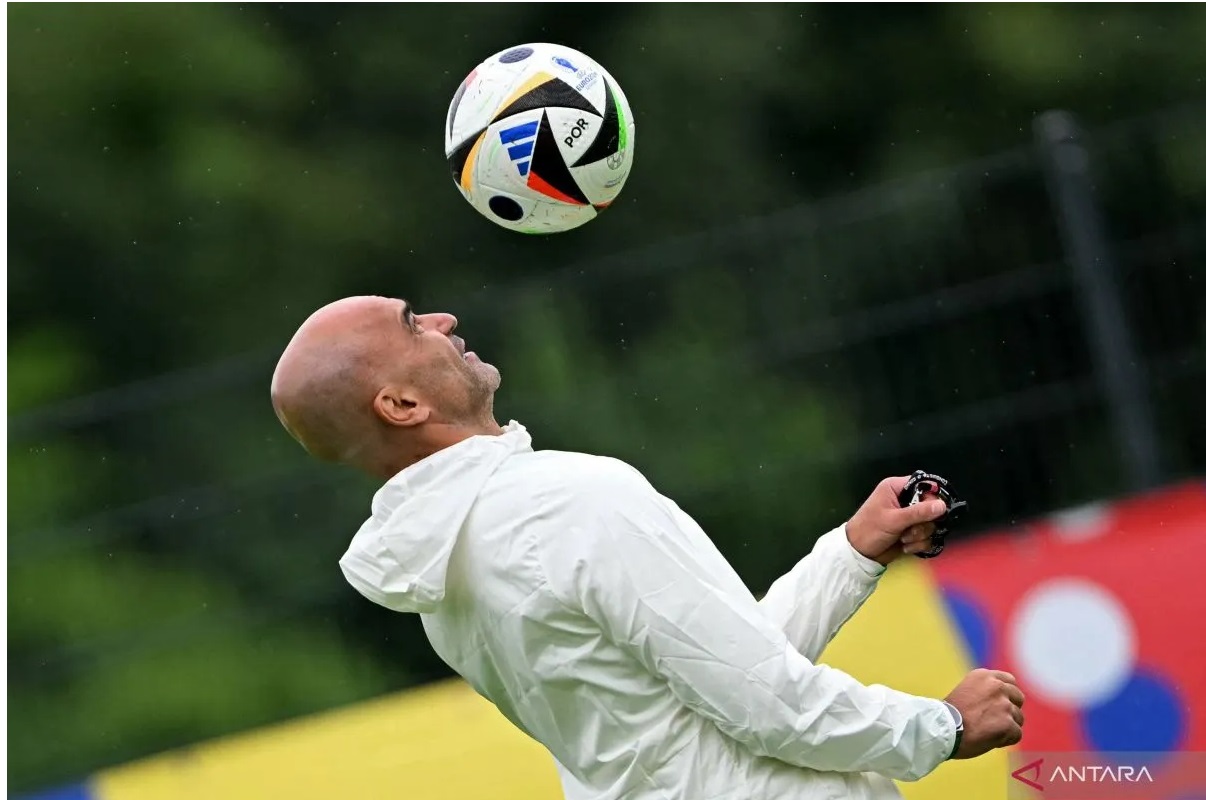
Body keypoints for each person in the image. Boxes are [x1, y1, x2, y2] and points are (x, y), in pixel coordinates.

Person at [270, 295, 1025, 800]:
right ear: (403, 405)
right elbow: (767, 703)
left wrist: (851, 554)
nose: (442, 318)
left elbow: (710, 684)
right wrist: (942, 728)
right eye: (411, 325)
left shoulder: (443, 565)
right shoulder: (566, 500)